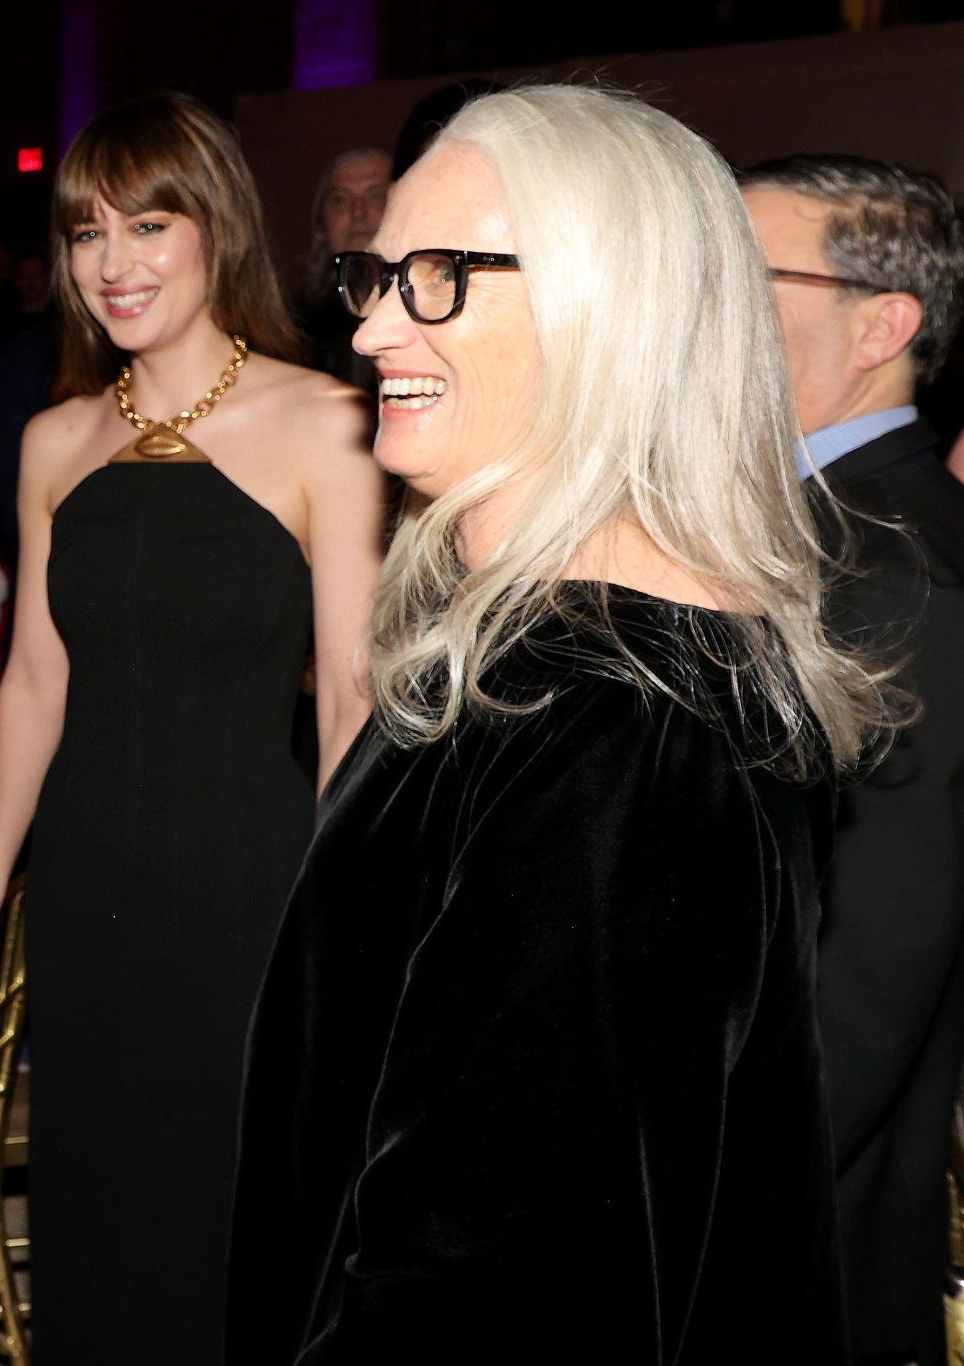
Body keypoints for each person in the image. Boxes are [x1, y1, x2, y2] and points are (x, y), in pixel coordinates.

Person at [230, 86, 897, 1364]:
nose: (370, 325)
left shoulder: (613, 732)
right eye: (374, 275)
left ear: (610, 309)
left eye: (436, 277)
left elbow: (495, 1293)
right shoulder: (550, 664)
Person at [0, 91, 386, 1361]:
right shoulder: (55, 437)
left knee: (231, 1209)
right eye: (85, 233)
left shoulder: (328, 423)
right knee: (99, 1206)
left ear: (214, 228)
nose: (109, 263)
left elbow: (349, 697)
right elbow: (34, 679)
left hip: (248, 884)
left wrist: (336, 914)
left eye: (146, 225)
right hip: (87, 889)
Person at [743, 154, 964, 1366]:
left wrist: (703, 1190)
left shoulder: (892, 574)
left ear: (880, 327)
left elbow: (864, 973)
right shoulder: (792, 526)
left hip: (794, 1237)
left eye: (747, 279)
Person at [298, 148, 391, 388]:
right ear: (322, 221)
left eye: (377, 196)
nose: (357, 212)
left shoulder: (433, 311)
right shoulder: (292, 332)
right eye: (340, 199)